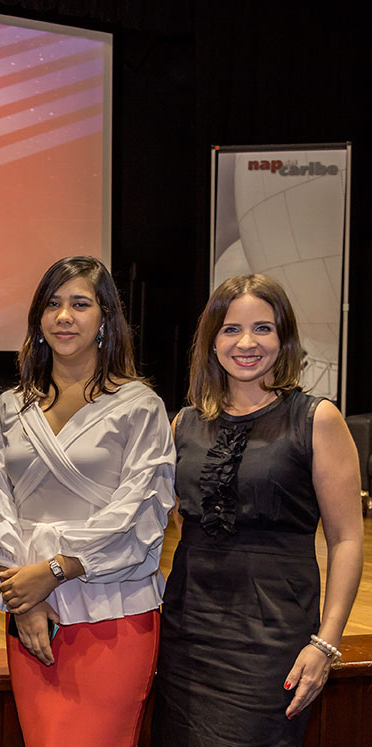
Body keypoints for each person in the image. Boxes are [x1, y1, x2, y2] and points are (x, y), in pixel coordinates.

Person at [0, 255, 175, 747]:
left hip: (114, 615)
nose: (64, 316)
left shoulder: (140, 406)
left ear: (105, 318)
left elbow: (141, 512)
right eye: (53, 304)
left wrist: (55, 570)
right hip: (30, 615)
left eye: (80, 304)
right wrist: (23, 598)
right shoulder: (10, 407)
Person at [151, 274, 363, 746]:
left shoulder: (317, 419)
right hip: (187, 636)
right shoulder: (184, 423)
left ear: (284, 338)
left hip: (272, 640)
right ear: (212, 341)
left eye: (262, 328)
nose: (246, 343)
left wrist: (326, 643)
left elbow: (347, 539)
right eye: (231, 329)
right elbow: (180, 520)